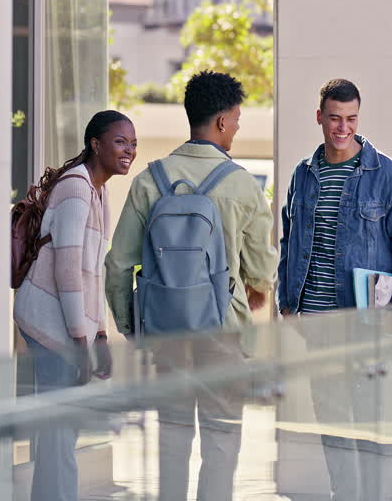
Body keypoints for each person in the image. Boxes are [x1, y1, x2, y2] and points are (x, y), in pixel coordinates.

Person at [105, 70, 277, 501]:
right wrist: (255, 288)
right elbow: (260, 268)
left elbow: (117, 265)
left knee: (173, 437)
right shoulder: (241, 184)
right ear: (220, 121)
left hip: (168, 333)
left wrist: (134, 327)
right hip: (224, 330)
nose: (238, 127)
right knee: (221, 439)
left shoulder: (151, 180)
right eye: (236, 118)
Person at [277, 78, 392, 499]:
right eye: (334, 119)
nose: (342, 128)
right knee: (331, 425)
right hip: (317, 322)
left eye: (350, 119)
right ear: (319, 118)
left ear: (357, 119)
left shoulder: (391, 177)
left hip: (364, 323)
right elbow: (290, 240)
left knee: (366, 424)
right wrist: (287, 301)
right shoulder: (304, 175)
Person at [13, 110, 137, 501]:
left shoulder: (98, 191)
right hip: (49, 325)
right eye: (120, 141)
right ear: (95, 144)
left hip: (68, 326)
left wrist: (99, 334)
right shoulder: (76, 188)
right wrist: (80, 340)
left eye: (132, 144)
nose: (129, 151)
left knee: (61, 431)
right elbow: (67, 270)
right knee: (59, 433)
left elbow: (92, 273)